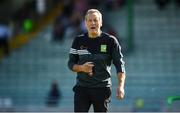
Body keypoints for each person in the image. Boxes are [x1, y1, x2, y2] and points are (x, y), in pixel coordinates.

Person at [67, 9, 126, 112]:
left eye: (95, 20)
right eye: (89, 20)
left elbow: (119, 65)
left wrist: (121, 86)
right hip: (82, 88)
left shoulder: (110, 41)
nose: (92, 23)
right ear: (85, 23)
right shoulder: (78, 41)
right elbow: (70, 63)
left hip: (102, 88)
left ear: (101, 22)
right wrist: (82, 68)